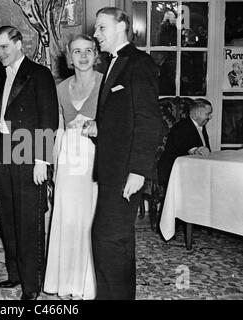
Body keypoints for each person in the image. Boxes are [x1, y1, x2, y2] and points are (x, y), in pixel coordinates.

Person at [83, 7, 162, 299]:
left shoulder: (138, 63)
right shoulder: (115, 64)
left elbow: (149, 120)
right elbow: (122, 117)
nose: (95, 34)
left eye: (102, 28)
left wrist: (139, 170)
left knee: (108, 241)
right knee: (115, 242)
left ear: (121, 27)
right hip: (112, 169)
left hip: (125, 171)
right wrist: (98, 126)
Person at [0, 26, 59, 300]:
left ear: (19, 44)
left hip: (31, 156)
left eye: (4, 47)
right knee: (7, 217)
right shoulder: (1, 76)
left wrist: (42, 160)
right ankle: (15, 274)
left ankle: (31, 285)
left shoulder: (38, 74)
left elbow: (48, 119)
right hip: (4, 154)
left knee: (29, 221)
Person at [43, 34, 101, 300]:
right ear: (69, 56)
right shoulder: (60, 88)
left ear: (96, 53)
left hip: (94, 159)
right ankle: (65, 283)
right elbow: (59, 129)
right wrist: (53, 165)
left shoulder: (106, 83)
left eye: (88, 50)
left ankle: (86, 284)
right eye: (77, 51)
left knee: (89, 218)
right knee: (66, 217)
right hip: (68, 159)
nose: (83, 56)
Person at [158, 98, 212, 188]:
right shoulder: (181, 127)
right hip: (175, 174)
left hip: (191, 171)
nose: (210, 117)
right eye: (208, 114)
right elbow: (186, 148)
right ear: (198, 113)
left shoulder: (201, 126)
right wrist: (197, 150)